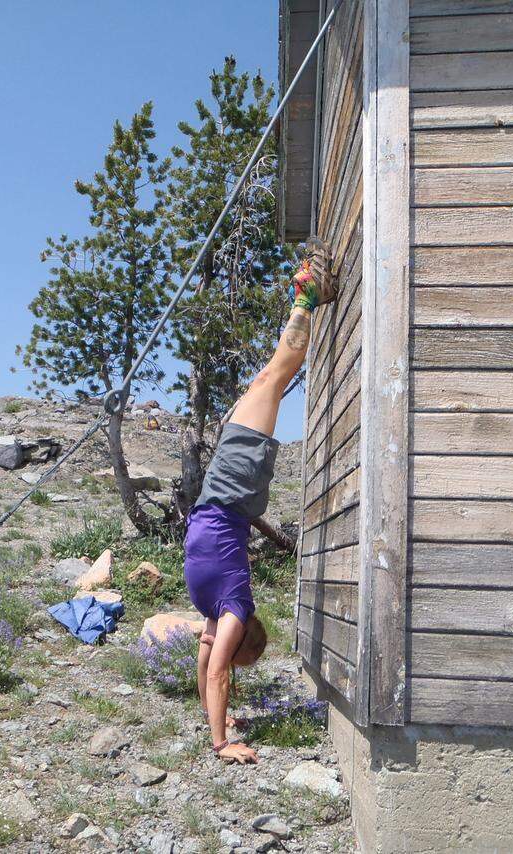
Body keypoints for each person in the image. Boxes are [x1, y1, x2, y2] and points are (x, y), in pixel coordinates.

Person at [184, 241, 335, 765]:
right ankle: (306, 294)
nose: (225, 650)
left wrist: (220, 735)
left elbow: (214, 668)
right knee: (273, 375)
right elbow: (213, 667)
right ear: (242, 636)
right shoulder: (222, 609)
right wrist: (221, 732)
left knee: (276, 374)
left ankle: (307, 294)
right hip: (221, 491)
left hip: (231, 490)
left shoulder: (226, 611)